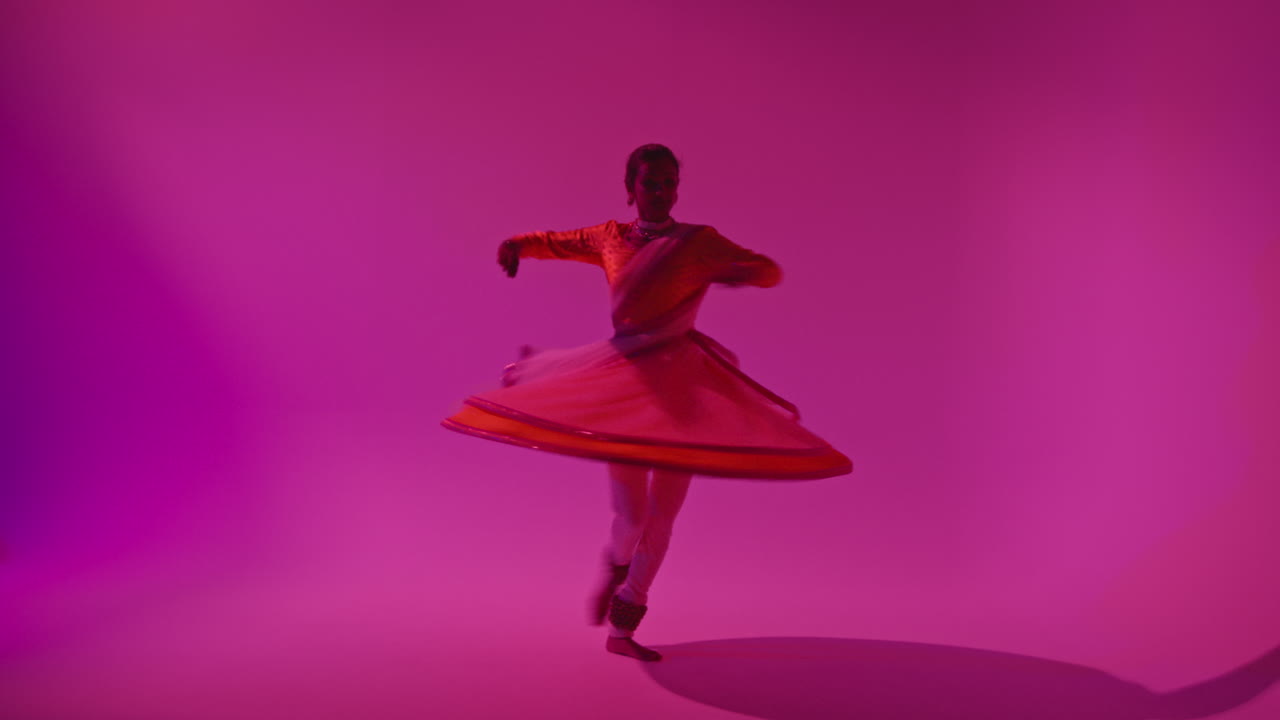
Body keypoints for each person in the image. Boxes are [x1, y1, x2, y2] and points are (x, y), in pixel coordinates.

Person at [443, 144, 851, 662]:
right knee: (631, 516)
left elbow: (768, 268)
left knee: (663, 518)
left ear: (677, 188)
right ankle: (614, 561)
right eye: (650, 183)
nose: (660, 192)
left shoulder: (698, 242)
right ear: (630, 188)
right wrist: (515, 245)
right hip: (624, 386)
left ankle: (624, 624)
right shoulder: (608, 237)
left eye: (668, 183)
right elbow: (553, 242)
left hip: (684, 393)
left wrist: (743, 271)